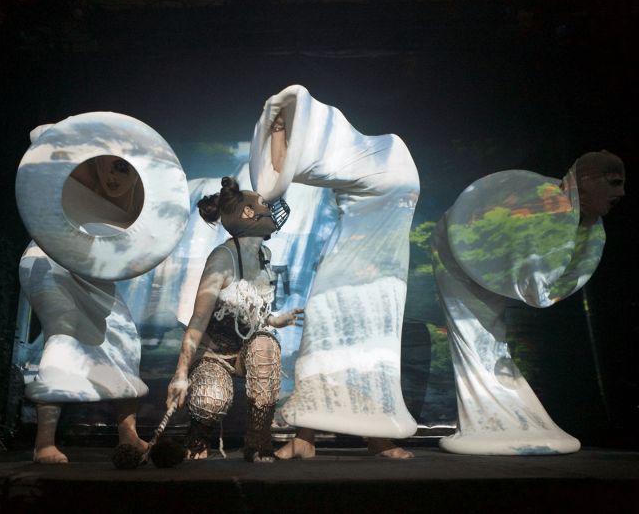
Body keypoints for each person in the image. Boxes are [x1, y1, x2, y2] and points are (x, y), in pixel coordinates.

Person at [248, 85, 420, 459]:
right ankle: (304, 437)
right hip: (343, 270)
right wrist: (277, 129)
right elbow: (278, 175)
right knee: (323, 346)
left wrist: (281, 127)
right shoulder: (355, 161)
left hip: (382, 274)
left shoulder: (384, 151)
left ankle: (377, 438)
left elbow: (285, 170)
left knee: (373, 352)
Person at [16, 113, 190, 464]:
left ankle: (128, 435)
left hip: (95, 271)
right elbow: (44, 141)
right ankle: (43, 443)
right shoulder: (77, 172)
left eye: (121, 168)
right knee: (63, 330)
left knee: (124, 340)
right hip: (48, 261)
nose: (111, 176)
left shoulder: (147, 197)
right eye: (107, 167)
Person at [429, 150, 625, 455]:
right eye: (613, 182)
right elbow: (536, 291)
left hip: (481, 253)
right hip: (456, 248)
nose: (621, 193)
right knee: (476, 336)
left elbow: (543, 284)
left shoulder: (583, 222)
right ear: (585, 181)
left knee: (486, 339)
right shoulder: (548, 206)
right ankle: (491, 420)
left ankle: (500, 418)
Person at [166, 177, 305, 463]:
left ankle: (257, 442)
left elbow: (256, 314)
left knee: (266, 348)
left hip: (246, 352)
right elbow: (199, 318)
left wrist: (277, 321)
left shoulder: (264, 255)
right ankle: (198, 435)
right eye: (264, 204)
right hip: (214, 352)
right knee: (210, 401)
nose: (271, 208)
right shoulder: (222, 257)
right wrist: (181, 373)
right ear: (247, 213)